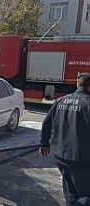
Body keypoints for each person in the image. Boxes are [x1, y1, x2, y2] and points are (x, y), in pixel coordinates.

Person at [40, 73, 90, 206]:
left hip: (61, 156)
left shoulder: (60, 100)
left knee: (70, 193)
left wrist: (44, 143)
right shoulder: (88, 104)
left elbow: (46, 123)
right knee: (85, 195)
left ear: (78, 84)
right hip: (81, 159)